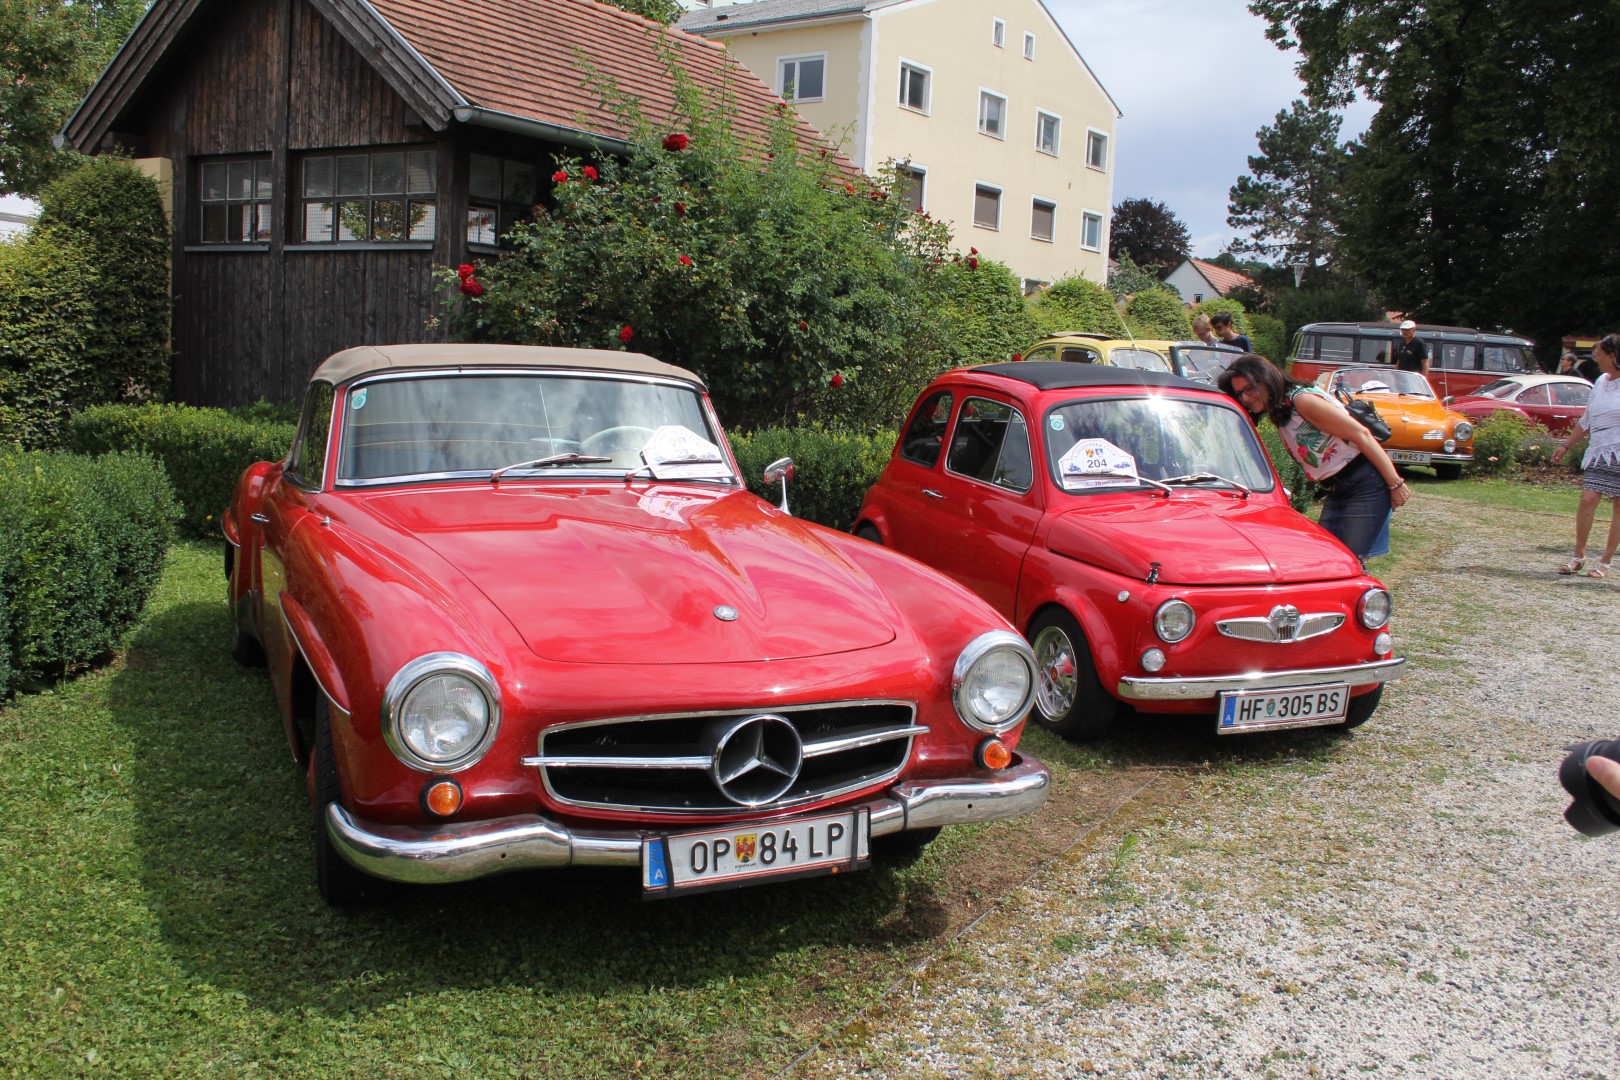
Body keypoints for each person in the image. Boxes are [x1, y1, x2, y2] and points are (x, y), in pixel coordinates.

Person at [1217, 354, 1412, 560]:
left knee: (1350, 560)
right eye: (1240, 394)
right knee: (1328, 556)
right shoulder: (1281, 409)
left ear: (1266, 380)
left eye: (1250, 388)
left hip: (1364, 482)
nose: (1246, 398)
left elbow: (1361, 434)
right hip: (1338, 487)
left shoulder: (1302, 400)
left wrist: (1395, 484)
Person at [1552, 332, 1620, 578]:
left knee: (1619, 506)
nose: (1595, 356)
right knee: (1587, 499)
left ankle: (1605, 562)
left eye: (1599, 353)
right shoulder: (1600, 381)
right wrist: (1566, 445)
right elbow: (1587, 419)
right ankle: (1578, 556)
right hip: (1599, 449)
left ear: (1612, 355)